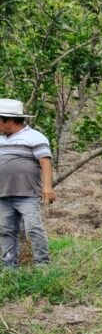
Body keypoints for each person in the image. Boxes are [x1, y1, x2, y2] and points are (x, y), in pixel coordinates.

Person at [0, 99, 55, 268]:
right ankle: (9, 266)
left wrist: (47, 187)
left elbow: (45, 162)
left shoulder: (34, 137)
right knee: (6, 230)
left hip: (27, 194)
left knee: (34, 228)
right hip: (3, 194)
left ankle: (42, 265)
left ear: (9, 120)